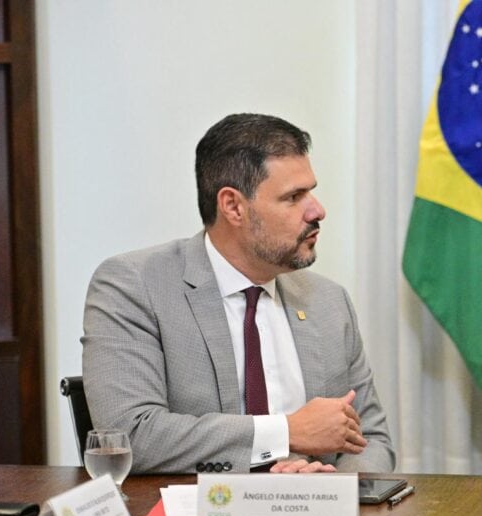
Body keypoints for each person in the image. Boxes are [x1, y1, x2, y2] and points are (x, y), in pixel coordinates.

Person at [82, 113, 394, 474]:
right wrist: (286, 432)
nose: (317, 210)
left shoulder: (328, 301)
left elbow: (373, 439)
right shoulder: (134, 286)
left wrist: (332, 485)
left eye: (311, 191)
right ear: (233, 206)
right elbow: (129, 435)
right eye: (294, 196)